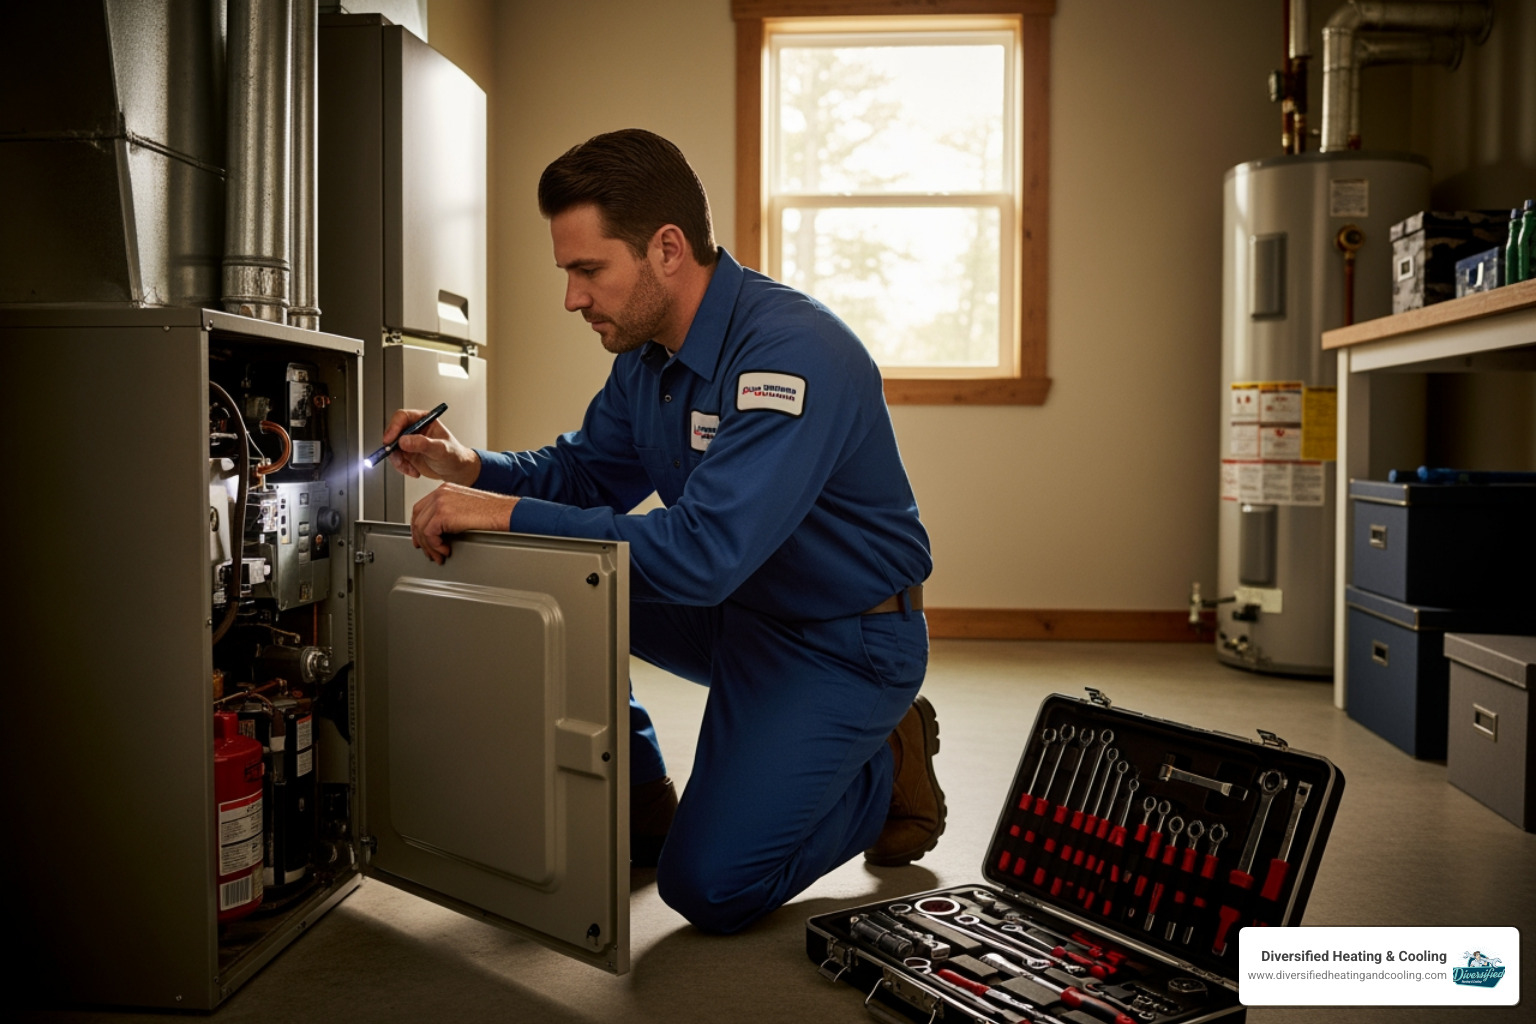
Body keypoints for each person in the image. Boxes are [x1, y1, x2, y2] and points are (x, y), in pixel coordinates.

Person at [381, 128, 942, 934]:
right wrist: (470, 467)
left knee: (709, 886)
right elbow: (582, 477)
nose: (572, 297)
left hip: (840, 638)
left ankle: (882, 766)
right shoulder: (647, 358)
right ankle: (641, 797)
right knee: (545, 568)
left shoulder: (793, 354)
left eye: (587, 270)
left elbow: (705, 554)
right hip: (739, 613)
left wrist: (504, 513)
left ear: (667, 250)